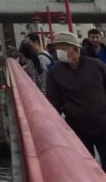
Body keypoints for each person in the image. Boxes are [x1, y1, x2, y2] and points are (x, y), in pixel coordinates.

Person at [46, 30, 106, 167]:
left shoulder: (96, 66)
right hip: (77, 127)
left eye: (62, 47)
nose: (59, 51)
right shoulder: (54, 73)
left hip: (103, 123)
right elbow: (53, 102)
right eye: (57, 48)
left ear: (74, 48)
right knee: (86, 166)